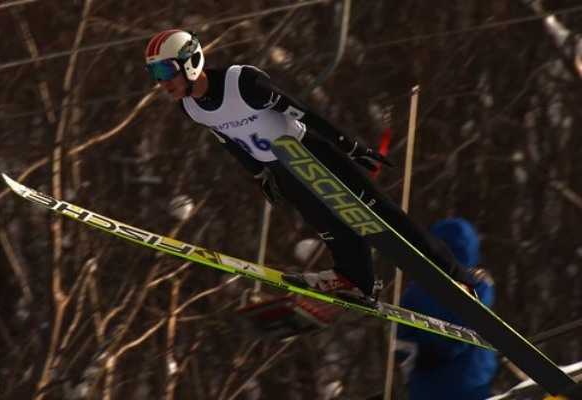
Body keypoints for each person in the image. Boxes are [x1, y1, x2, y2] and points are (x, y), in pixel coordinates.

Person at [143, 29, 476, 300]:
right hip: (281, 168)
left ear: (190, 61)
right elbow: (230, 141)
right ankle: (354, 279)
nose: (161, 82)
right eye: (154, 74)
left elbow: (304, 112)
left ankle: (456, 278)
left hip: (310, 153)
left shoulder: (241, 83)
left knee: (383, 218)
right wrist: (259, 174)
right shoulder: (191, 108)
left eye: (164, 71)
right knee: (328, 226)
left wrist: (352, 147)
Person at [395, 218, 498, 400]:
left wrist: (417, 356)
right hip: (469, 385)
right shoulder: (478, 283)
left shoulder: (416, 289)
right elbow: (470, 326)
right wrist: (440, 351)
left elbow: (400, 338)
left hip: (424, 388)